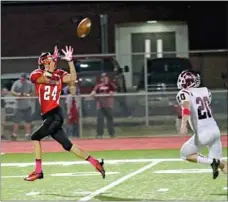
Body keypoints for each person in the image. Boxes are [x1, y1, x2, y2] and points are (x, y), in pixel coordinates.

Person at [24, 46, 105, 181]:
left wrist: (70, 61)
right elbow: (45, 79)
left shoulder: (60, 73)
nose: (52, 61)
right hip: (49, 116)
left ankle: (38, 171)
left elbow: (73, 77)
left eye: (52, 59)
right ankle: (95, 163)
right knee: (68, 146)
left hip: (54, 114)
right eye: (49, 59)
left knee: (35, 137)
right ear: (43, 62)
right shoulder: (36, 74)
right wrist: (51, 65)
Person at [176, 70, 227, 179]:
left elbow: (186, 106)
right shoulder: (205, 90)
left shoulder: (184, 93)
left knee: (185, 154)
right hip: (215, 130)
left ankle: (213, 162)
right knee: (222, 164)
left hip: (203, 133)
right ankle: (215, 163)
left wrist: (183, 124)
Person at [90, 73, 116, 139]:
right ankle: (99, 134)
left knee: (110, 120)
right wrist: (93, 94)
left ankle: (112, 134)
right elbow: (93, 92)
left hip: (108, 106)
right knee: (100, 119)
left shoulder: (111, 85)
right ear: (101, 79)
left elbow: (113, 92)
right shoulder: (98, 86)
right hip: (100, 106)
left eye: (106, 77)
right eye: (103, 77)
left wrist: (111, 93)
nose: (104, 79)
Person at [11, 73, 33, 140]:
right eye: (21, 78)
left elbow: (32, 91)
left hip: (27, 105)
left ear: (26, 78)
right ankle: (14, 135)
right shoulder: (16, 83)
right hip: (18, 106)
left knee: (28, 121)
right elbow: (12, 92)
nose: (22, 80)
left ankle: (28, 135)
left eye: (24, 79)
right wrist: (18, 94)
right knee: (16, 121)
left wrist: (28, 94)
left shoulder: (29, 83)